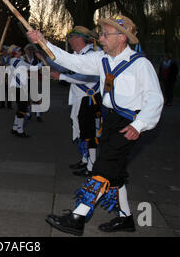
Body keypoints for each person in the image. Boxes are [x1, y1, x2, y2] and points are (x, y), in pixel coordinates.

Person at [27, 14, 163, 236]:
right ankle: (126, 219)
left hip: (129, 122)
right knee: (115, 174)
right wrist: (43, 42)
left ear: (122, 38)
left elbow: (155, 99)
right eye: (101, 34)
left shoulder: (140, 65)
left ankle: (78, 217)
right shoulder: (102, 59)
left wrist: (139, 125)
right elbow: (71, 61)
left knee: (103, 167)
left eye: (105, 34)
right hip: (110, 119)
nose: (100, 38)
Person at [38, 26, 102, 177]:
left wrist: (62, 77)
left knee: (89, 132)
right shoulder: (78, 54)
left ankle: (92, 166)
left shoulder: (94, 54)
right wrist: (44, 55)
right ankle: (85, 159)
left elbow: (87, 78)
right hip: (79, 98)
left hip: (89, 99)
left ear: (79, 38)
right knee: (80, 129)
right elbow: (61, 65)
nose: (69, 41)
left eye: (71, 38)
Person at [8, 44, 42, 137]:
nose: (20, 52)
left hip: (16, 88)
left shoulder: (13, 60)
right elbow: (33, 68)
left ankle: (15, 128)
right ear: (15, 53)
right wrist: (43, 61)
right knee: (22, 109)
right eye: (18, 51)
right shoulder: (19, 62)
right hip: (19, 88)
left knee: (20, 108)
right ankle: (20, 131)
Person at [24, 44, 43, 122]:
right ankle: (28, 113)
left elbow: (40, 66)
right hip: (25, 80)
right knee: (26, 97)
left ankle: (38, 114)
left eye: (31, 50)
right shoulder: (23, 58)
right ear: (26, 50)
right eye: (29, 50)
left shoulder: (37, 58)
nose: (30, 51)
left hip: (34, 79)